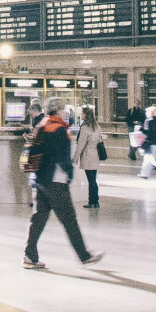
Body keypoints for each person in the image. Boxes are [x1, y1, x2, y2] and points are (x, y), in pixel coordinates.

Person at [22, 98, 104, 270]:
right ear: (58, 110)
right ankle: (84, 255)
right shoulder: (58, 128)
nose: (65, 112)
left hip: (40, 179)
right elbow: (62, 157)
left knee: (39, 218)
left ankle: (30, 255)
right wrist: (69, 174)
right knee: (69, 219)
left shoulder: (42, 125)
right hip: (55, 181)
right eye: (63, 109)